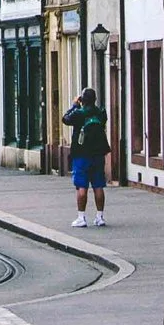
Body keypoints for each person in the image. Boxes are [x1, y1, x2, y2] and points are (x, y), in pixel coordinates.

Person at [63, 87, 111, 228]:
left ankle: (81, 217)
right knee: (98, 186)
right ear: (95, 99)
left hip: (81, 155)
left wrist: (74, 105)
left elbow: (65, 119)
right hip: (98, 155)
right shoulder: (101, 113)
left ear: (83, 100)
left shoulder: (78, 114)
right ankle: (100, 216)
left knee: (82, 187)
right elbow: (103, 120)